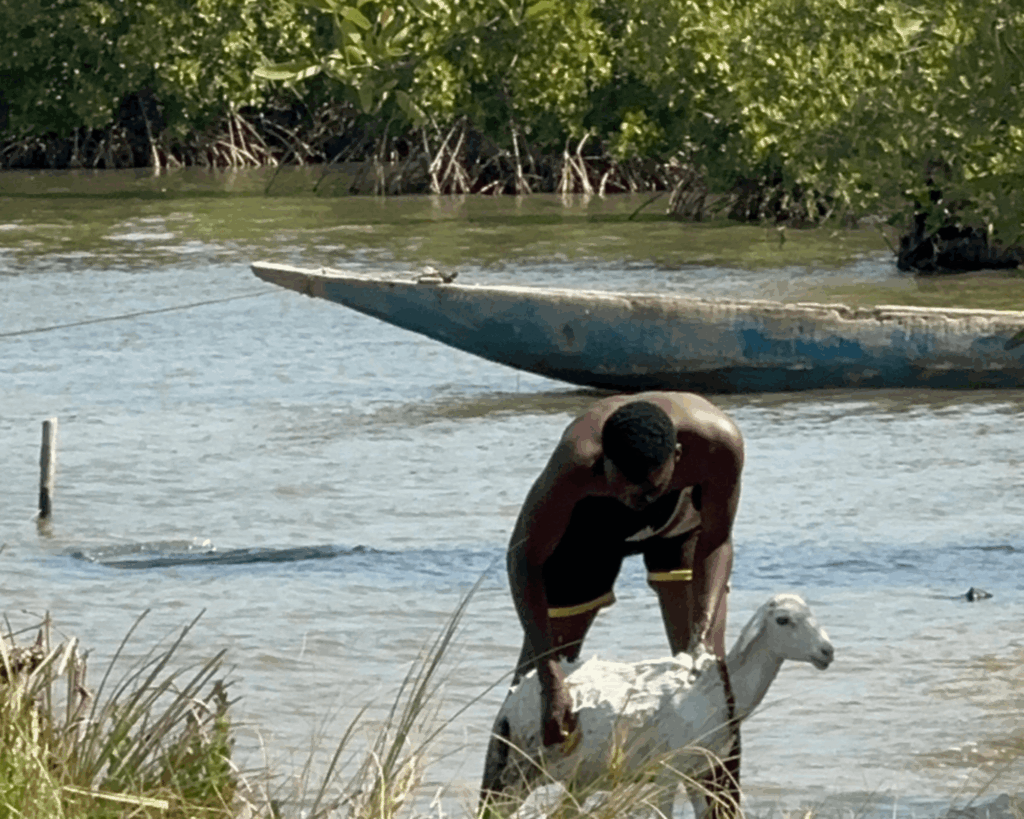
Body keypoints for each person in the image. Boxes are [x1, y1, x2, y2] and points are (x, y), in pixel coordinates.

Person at [480, 391, 745, 812]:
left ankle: (722, 813)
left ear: (678, 455)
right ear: (603, 462)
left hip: (679, 525)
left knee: (711, 687)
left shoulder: (718, 444)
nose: (633, 501)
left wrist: (704, 628)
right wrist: (550, 677)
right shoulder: (577, 462)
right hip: (588, 533)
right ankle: (492, 812)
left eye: (646, 490)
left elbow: (717, 540)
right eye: (621, 487)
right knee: (530, 693)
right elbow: (525, 560)